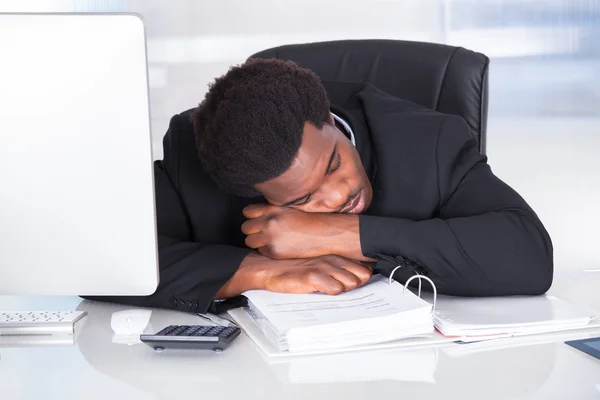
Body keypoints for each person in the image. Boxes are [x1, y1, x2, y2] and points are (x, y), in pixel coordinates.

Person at [86, 58, 553, 313]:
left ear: (329, 120)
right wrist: (259, 271)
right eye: (301, 200)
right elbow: (102, 257)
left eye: (333, 165)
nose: (336, 196)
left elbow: (528, 255)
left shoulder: (430, 141)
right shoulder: (201, 154)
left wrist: (336, 234)